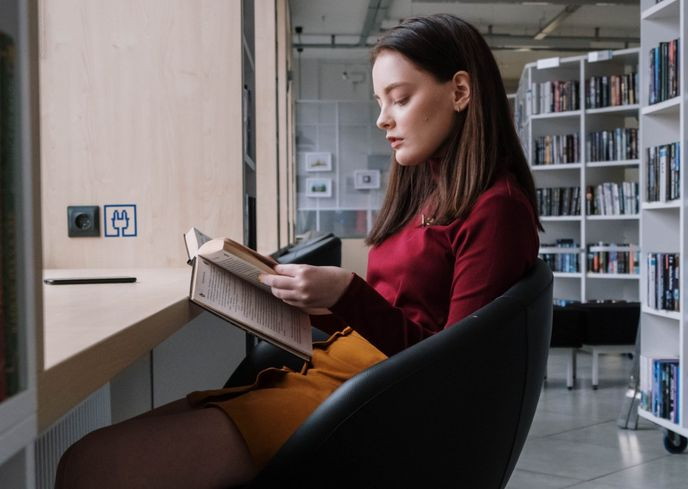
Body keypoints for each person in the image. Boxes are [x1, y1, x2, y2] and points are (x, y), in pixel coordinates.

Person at [55, 13, 542, 489]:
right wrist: (309, 301)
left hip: (367, 402)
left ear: (459, 91)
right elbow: (402, 322)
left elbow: (453, 374)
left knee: (91, 464)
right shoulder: (426, 195)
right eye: (379, 101)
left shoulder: (496, 209)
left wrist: (347, 294)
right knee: (94, 454)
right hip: (341, 375)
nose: (381, 119)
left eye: (400, 98)